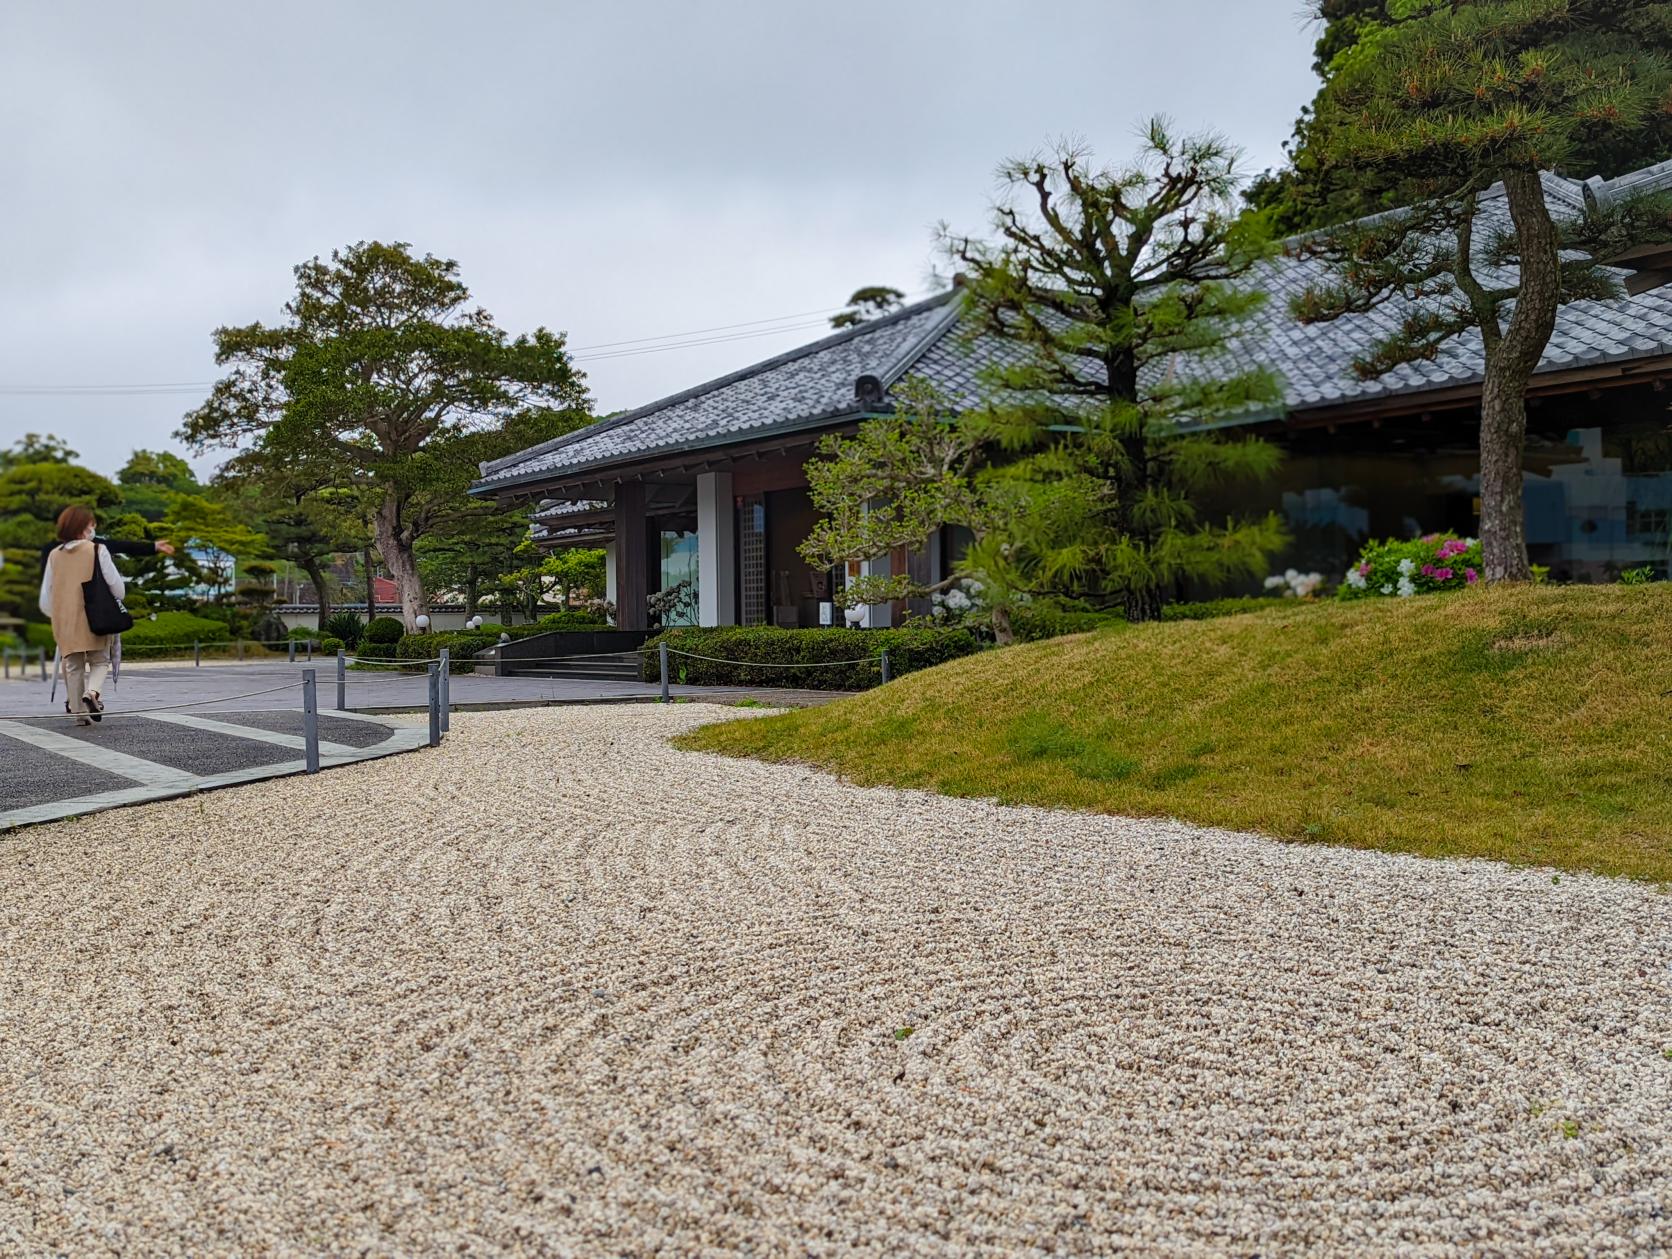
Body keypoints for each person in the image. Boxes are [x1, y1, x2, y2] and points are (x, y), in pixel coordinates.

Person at [37, 507, 174, 725]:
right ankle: (92, 693)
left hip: (64, 620)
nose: (94, 528)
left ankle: (80, 715)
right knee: (100, 660)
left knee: (73, 666)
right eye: (91, 524)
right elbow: (117, 588)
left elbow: (46, 595)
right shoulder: (97, 549)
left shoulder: (54, 554)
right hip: (95, 616)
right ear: (82, 527)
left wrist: (58, 615)